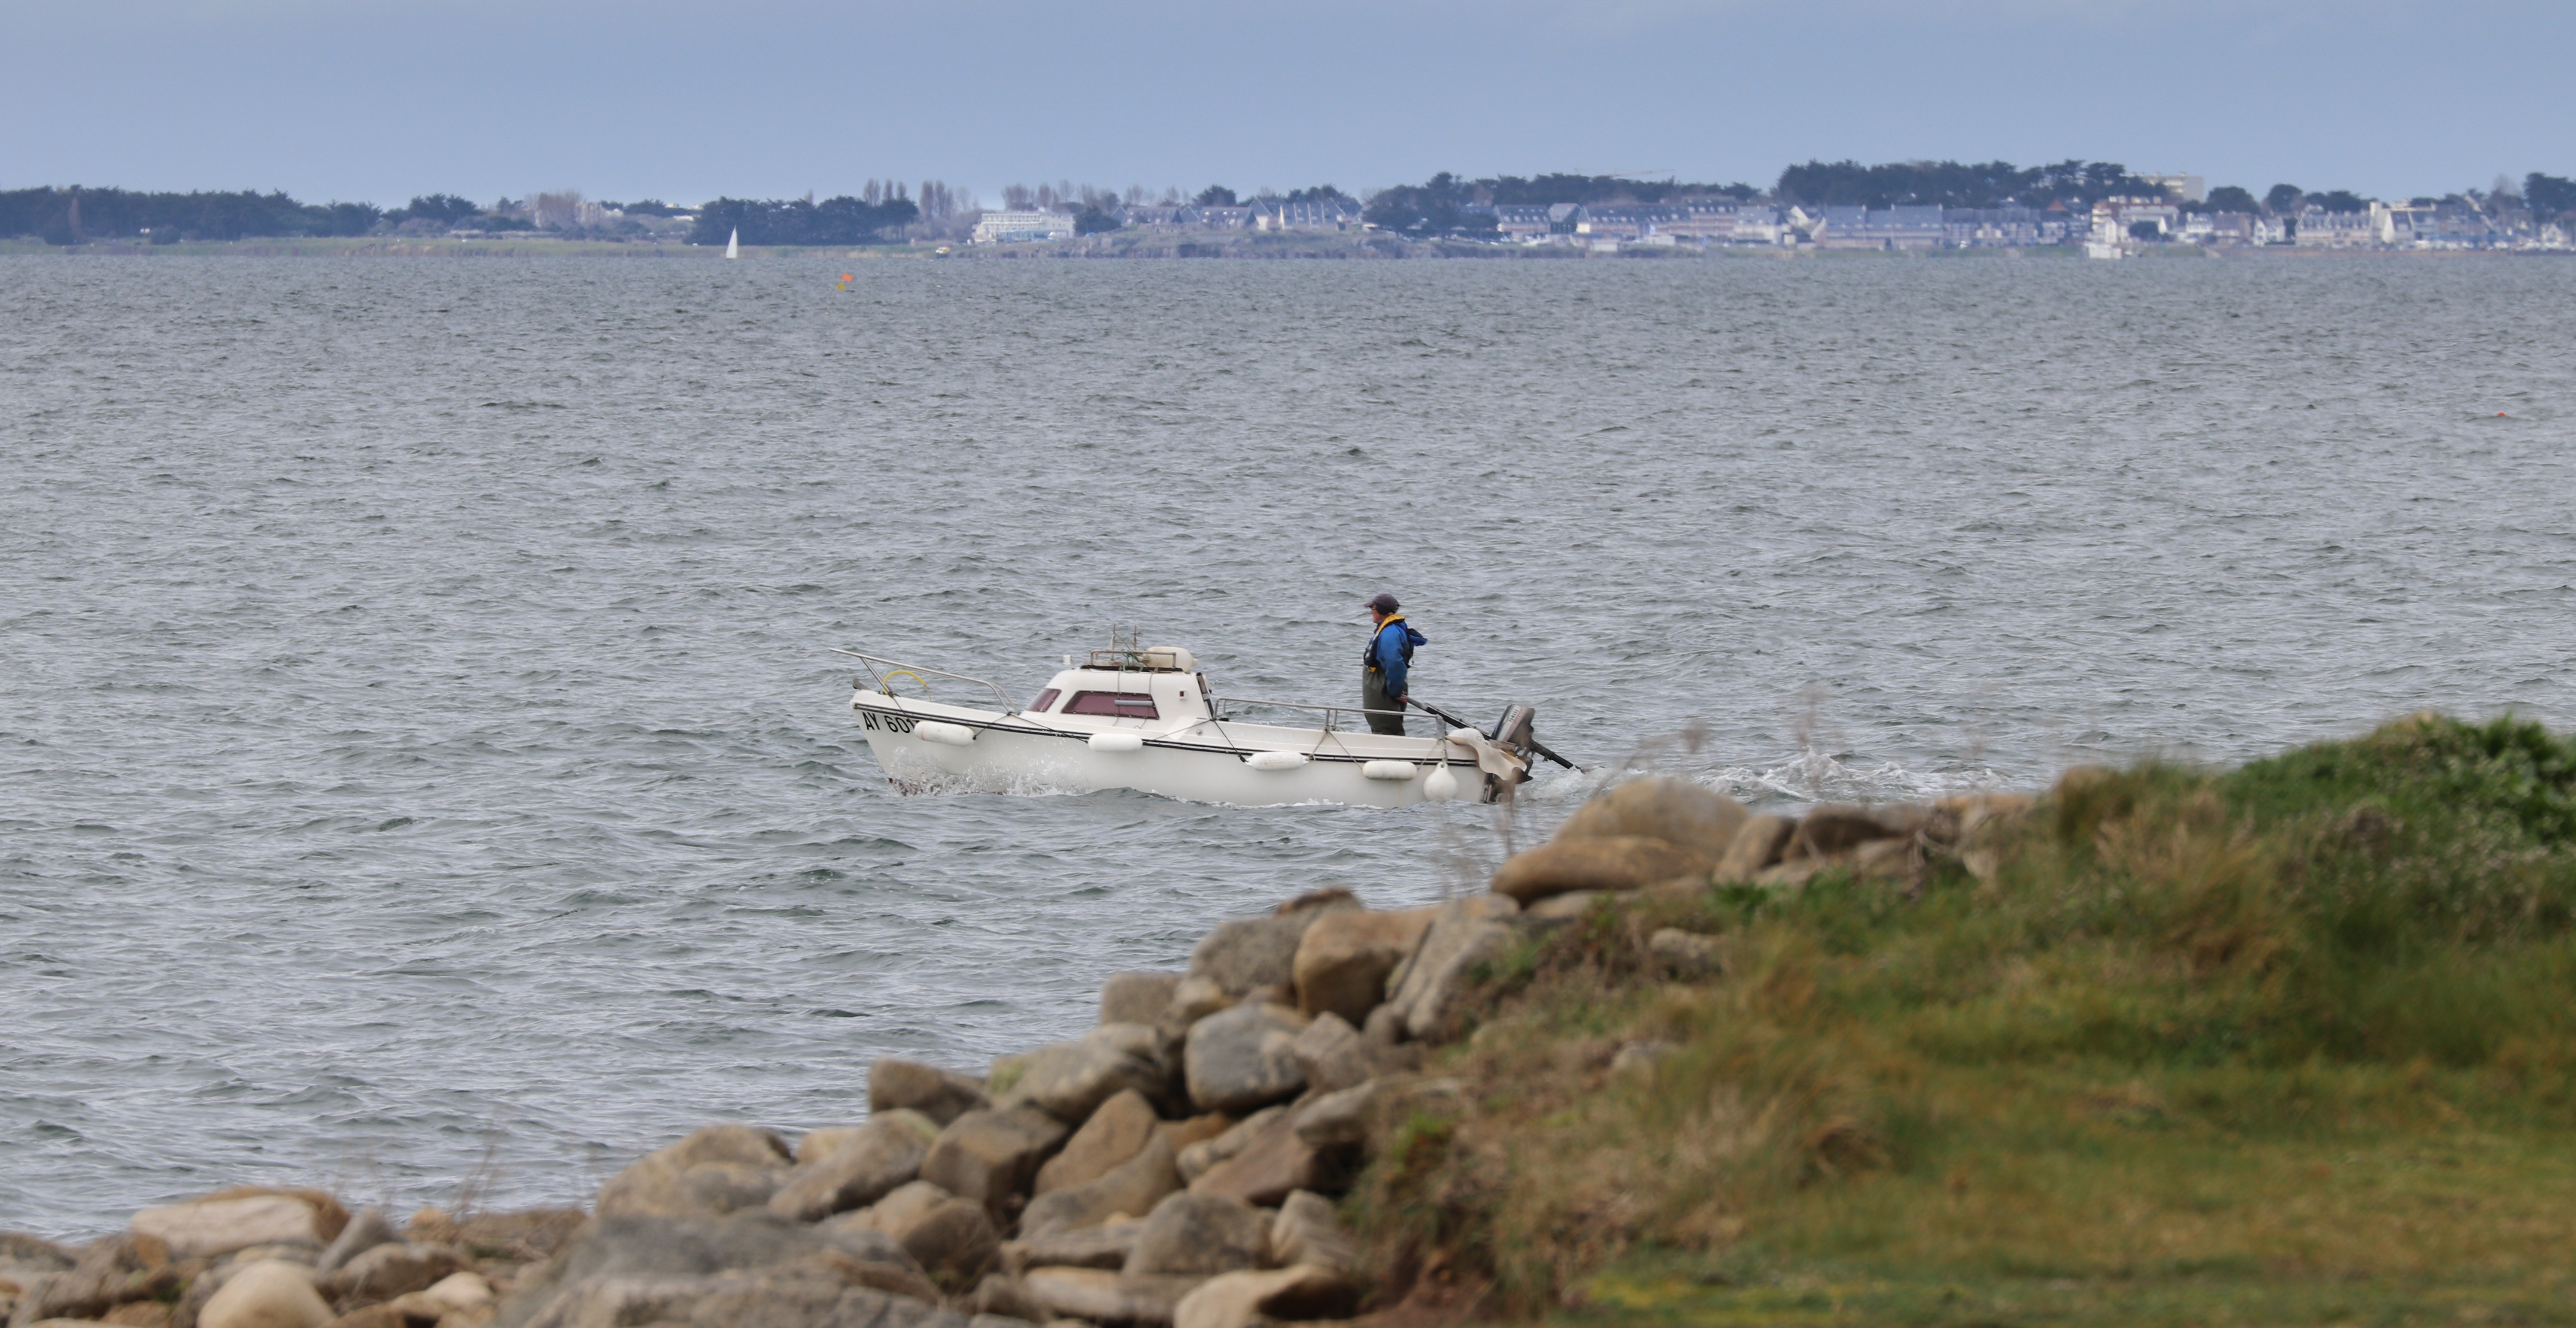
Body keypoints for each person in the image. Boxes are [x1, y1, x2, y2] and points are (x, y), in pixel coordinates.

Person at [1360, 593, 1427, 737]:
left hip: (1382, 686)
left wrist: (1395, 691)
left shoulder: (1389, 633)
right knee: (1383, 726)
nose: (1371, 612)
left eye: (1373, 608)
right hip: (1385, 683)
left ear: (1382, 611)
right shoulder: (1392, 629)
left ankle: (1389, 757)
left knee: (1385, 728)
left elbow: (1395, 663)